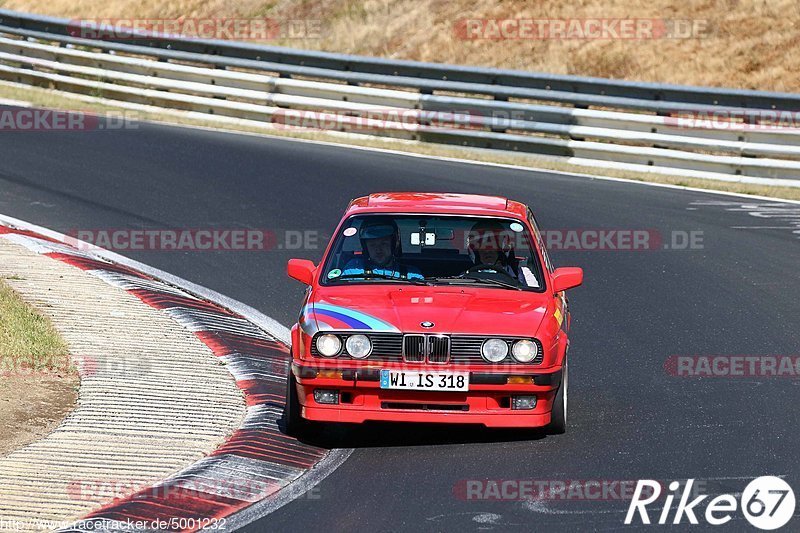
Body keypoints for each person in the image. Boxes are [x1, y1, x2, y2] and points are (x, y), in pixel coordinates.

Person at [342, 218, 423, 280]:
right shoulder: (352, 271)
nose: (378, 250)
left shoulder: (412, 275)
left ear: (394, 244)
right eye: (372, 245)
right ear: (365, 247)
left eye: (384, 244)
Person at [466, 219, 527, 285]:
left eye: (492, 248)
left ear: (502, 250)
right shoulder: (464, 277)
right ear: (475, 252)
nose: (488, 251)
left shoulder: (521, 273)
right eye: (483, 248)